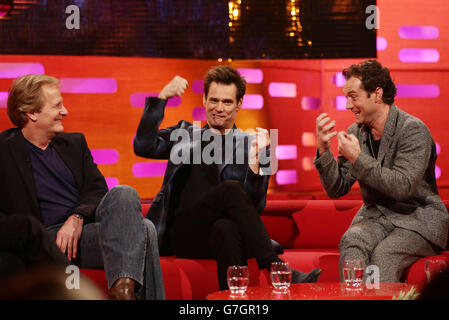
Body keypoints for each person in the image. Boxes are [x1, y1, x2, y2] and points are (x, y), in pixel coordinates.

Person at [134, 65, 321, 290]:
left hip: (214, 234)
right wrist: (162, 97)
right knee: (231, 189)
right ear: (204, 99)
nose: (219, 108)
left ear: (239, 104)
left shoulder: (256, 144)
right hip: (181, 233)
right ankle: (275, 267)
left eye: (227, 102)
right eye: (214, 100)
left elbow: (256, 206)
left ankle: (232, 302)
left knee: (226, 230)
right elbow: (143, 146)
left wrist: (255, 163)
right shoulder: (184, 134)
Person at [0, 74, 165, 300]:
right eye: (57, 105)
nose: (65, 111)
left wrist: (77, 217)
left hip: (84, 235)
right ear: (32, 113)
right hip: (47, 242)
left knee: (124, 193)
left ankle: (122, 290)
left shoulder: (74, 143)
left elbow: (97, 190)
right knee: (144, 228)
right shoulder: (4, 151)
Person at [314, 59, 448, 282]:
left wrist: (357, 158)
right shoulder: (356, 132)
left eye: (353, 97)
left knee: (383, 256)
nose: (348, 105)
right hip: (377, 217)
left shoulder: (412, 130)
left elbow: (402, 187)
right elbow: (337, 189)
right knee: (352, 242)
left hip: (417, 218)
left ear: (376, 94)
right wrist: (323, 149)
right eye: (346, 97)